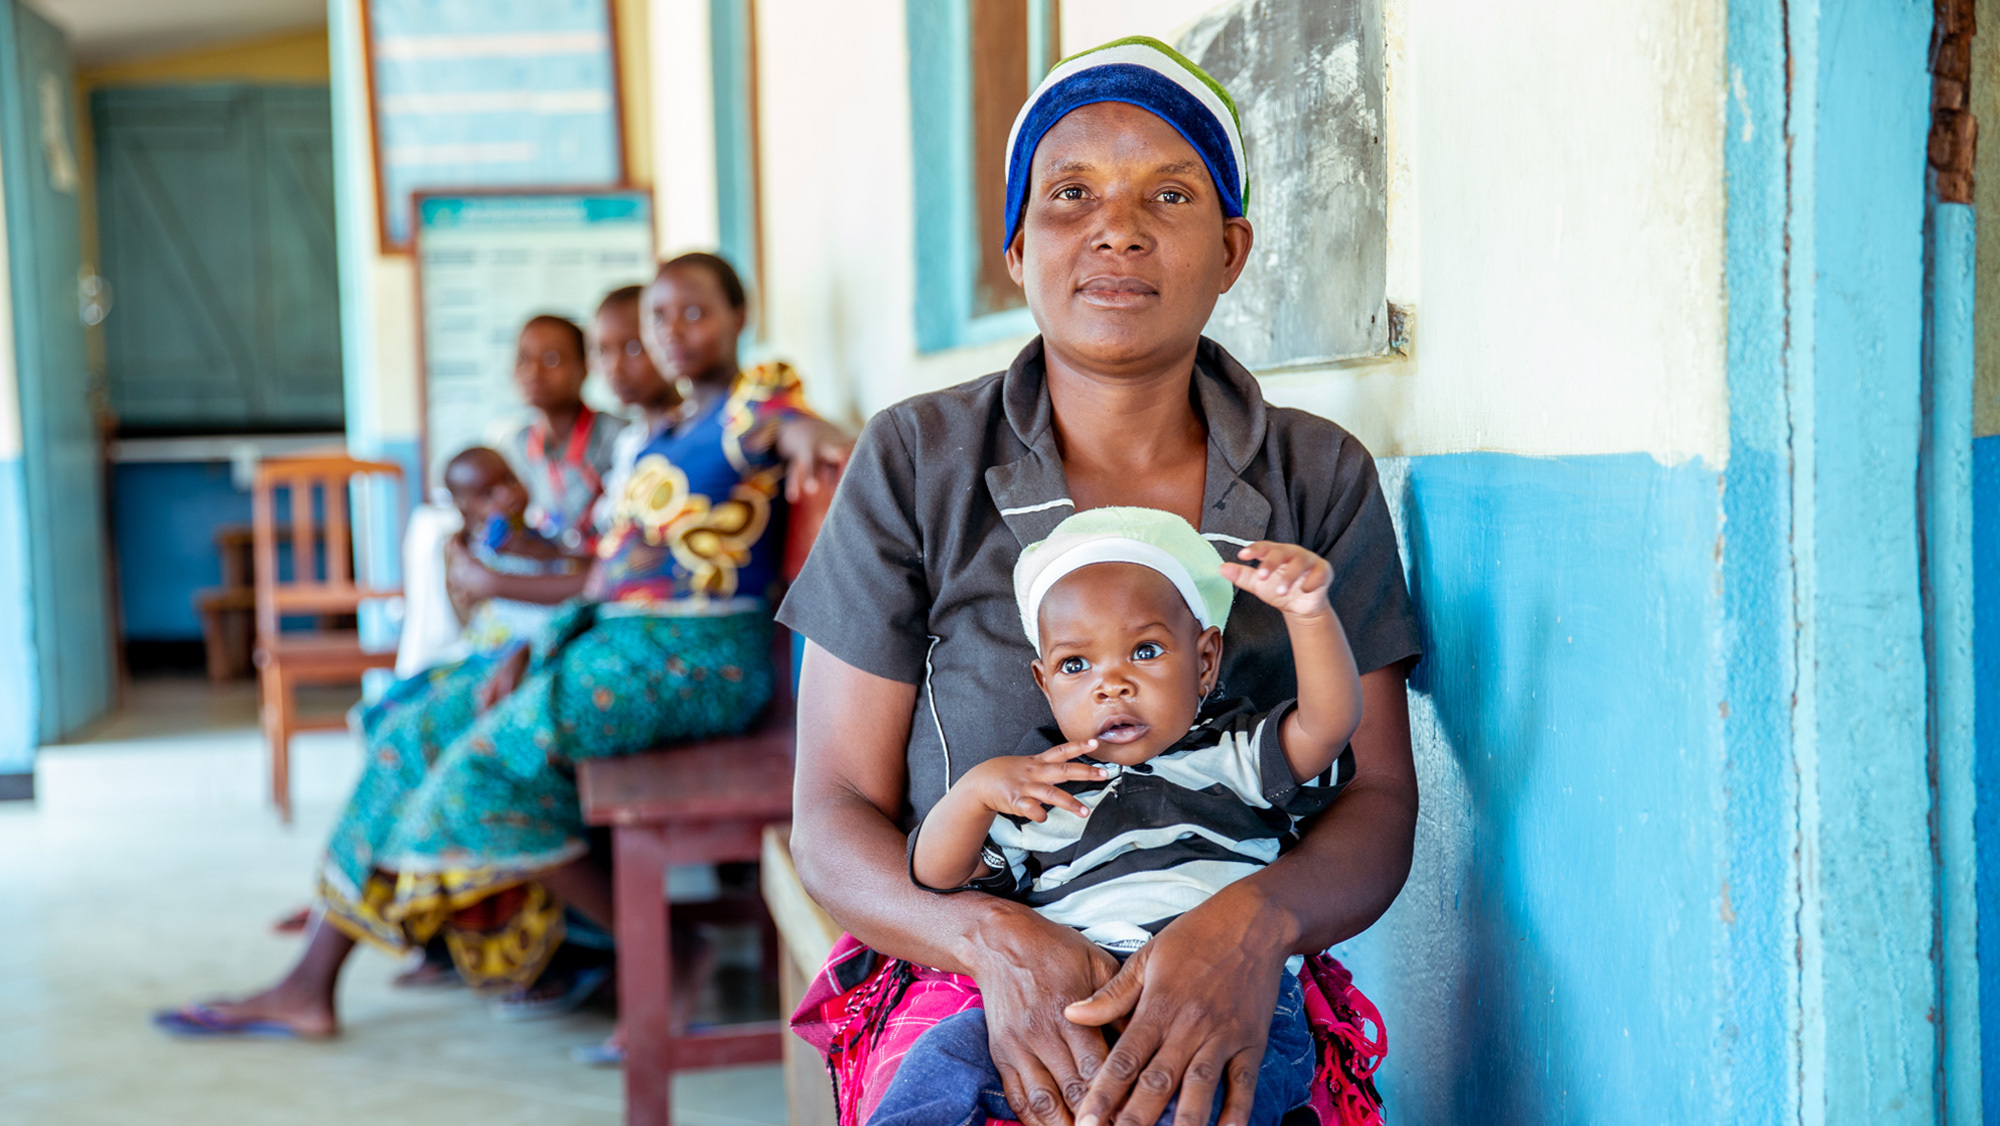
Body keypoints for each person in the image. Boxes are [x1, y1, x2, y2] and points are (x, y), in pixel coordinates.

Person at [781, 36, 1419, 1126]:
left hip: (1226, 962)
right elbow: (831, 813)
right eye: (1070, 193)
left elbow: (1375, 793)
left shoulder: (1316, 475)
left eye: (1165, 195)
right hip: (965, 958)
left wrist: (1248, 925)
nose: (1115, 227)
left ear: (1229, 249)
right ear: (1018, 247)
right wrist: (992, 945)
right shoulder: (917, 460)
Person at [153, 252, 851, 1041]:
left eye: (694, 312)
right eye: (659, 316)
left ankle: (658, 949)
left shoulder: (750, 408)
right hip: (612, 642)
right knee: (415, 727)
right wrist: (540, 644)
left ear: (737, 314)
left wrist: (813, 441)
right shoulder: (669, 429)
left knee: (481, 778)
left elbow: (808, 432)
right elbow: (608, 577)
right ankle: (309, 982)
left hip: (693, 662)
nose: (674, 332)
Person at [875, 508, 1361, 1126]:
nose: (1113, 684)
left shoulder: (1235, 754)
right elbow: (935, 874)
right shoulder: (1039, 786)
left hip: (1229, 1004)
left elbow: (1328, 724)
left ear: (1206, 660)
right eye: (1077, 665)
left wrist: (1309, 615)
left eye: (1146, 650)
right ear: (1044, 682)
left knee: (1196, 1101)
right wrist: (973, 794)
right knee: (944, 1059)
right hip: (1075, 1009)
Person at [497, 313, 626, 551]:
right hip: (547, 577)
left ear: (586, 366)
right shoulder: (514, 447)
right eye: (523, 359)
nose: (533, 371)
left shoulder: (620, 437)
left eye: (552, 359)